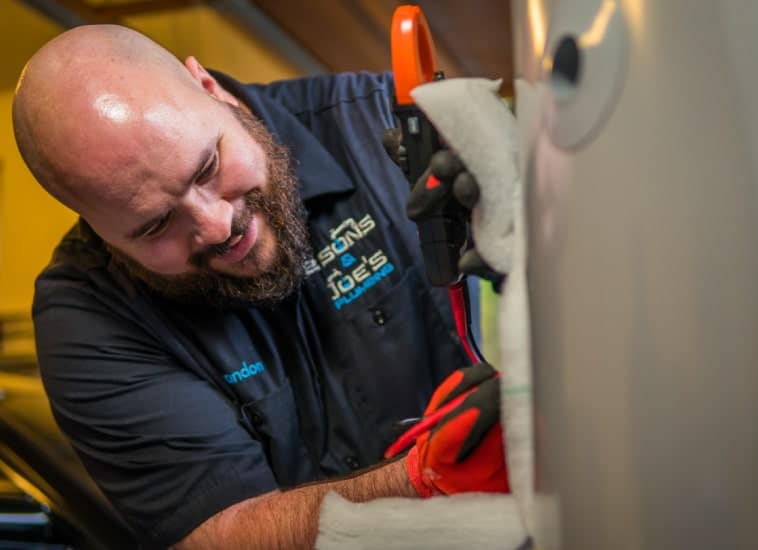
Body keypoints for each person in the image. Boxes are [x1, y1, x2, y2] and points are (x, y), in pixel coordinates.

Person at [12, 24, 506, 549]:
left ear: (209, 87)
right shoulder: (87, 323)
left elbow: (563, 271)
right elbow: (220, 533)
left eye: (207, 168)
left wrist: (529, 217)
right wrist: (426, 478)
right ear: (100, 231)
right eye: (156, 225)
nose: (216, 226)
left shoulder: (377, 124)